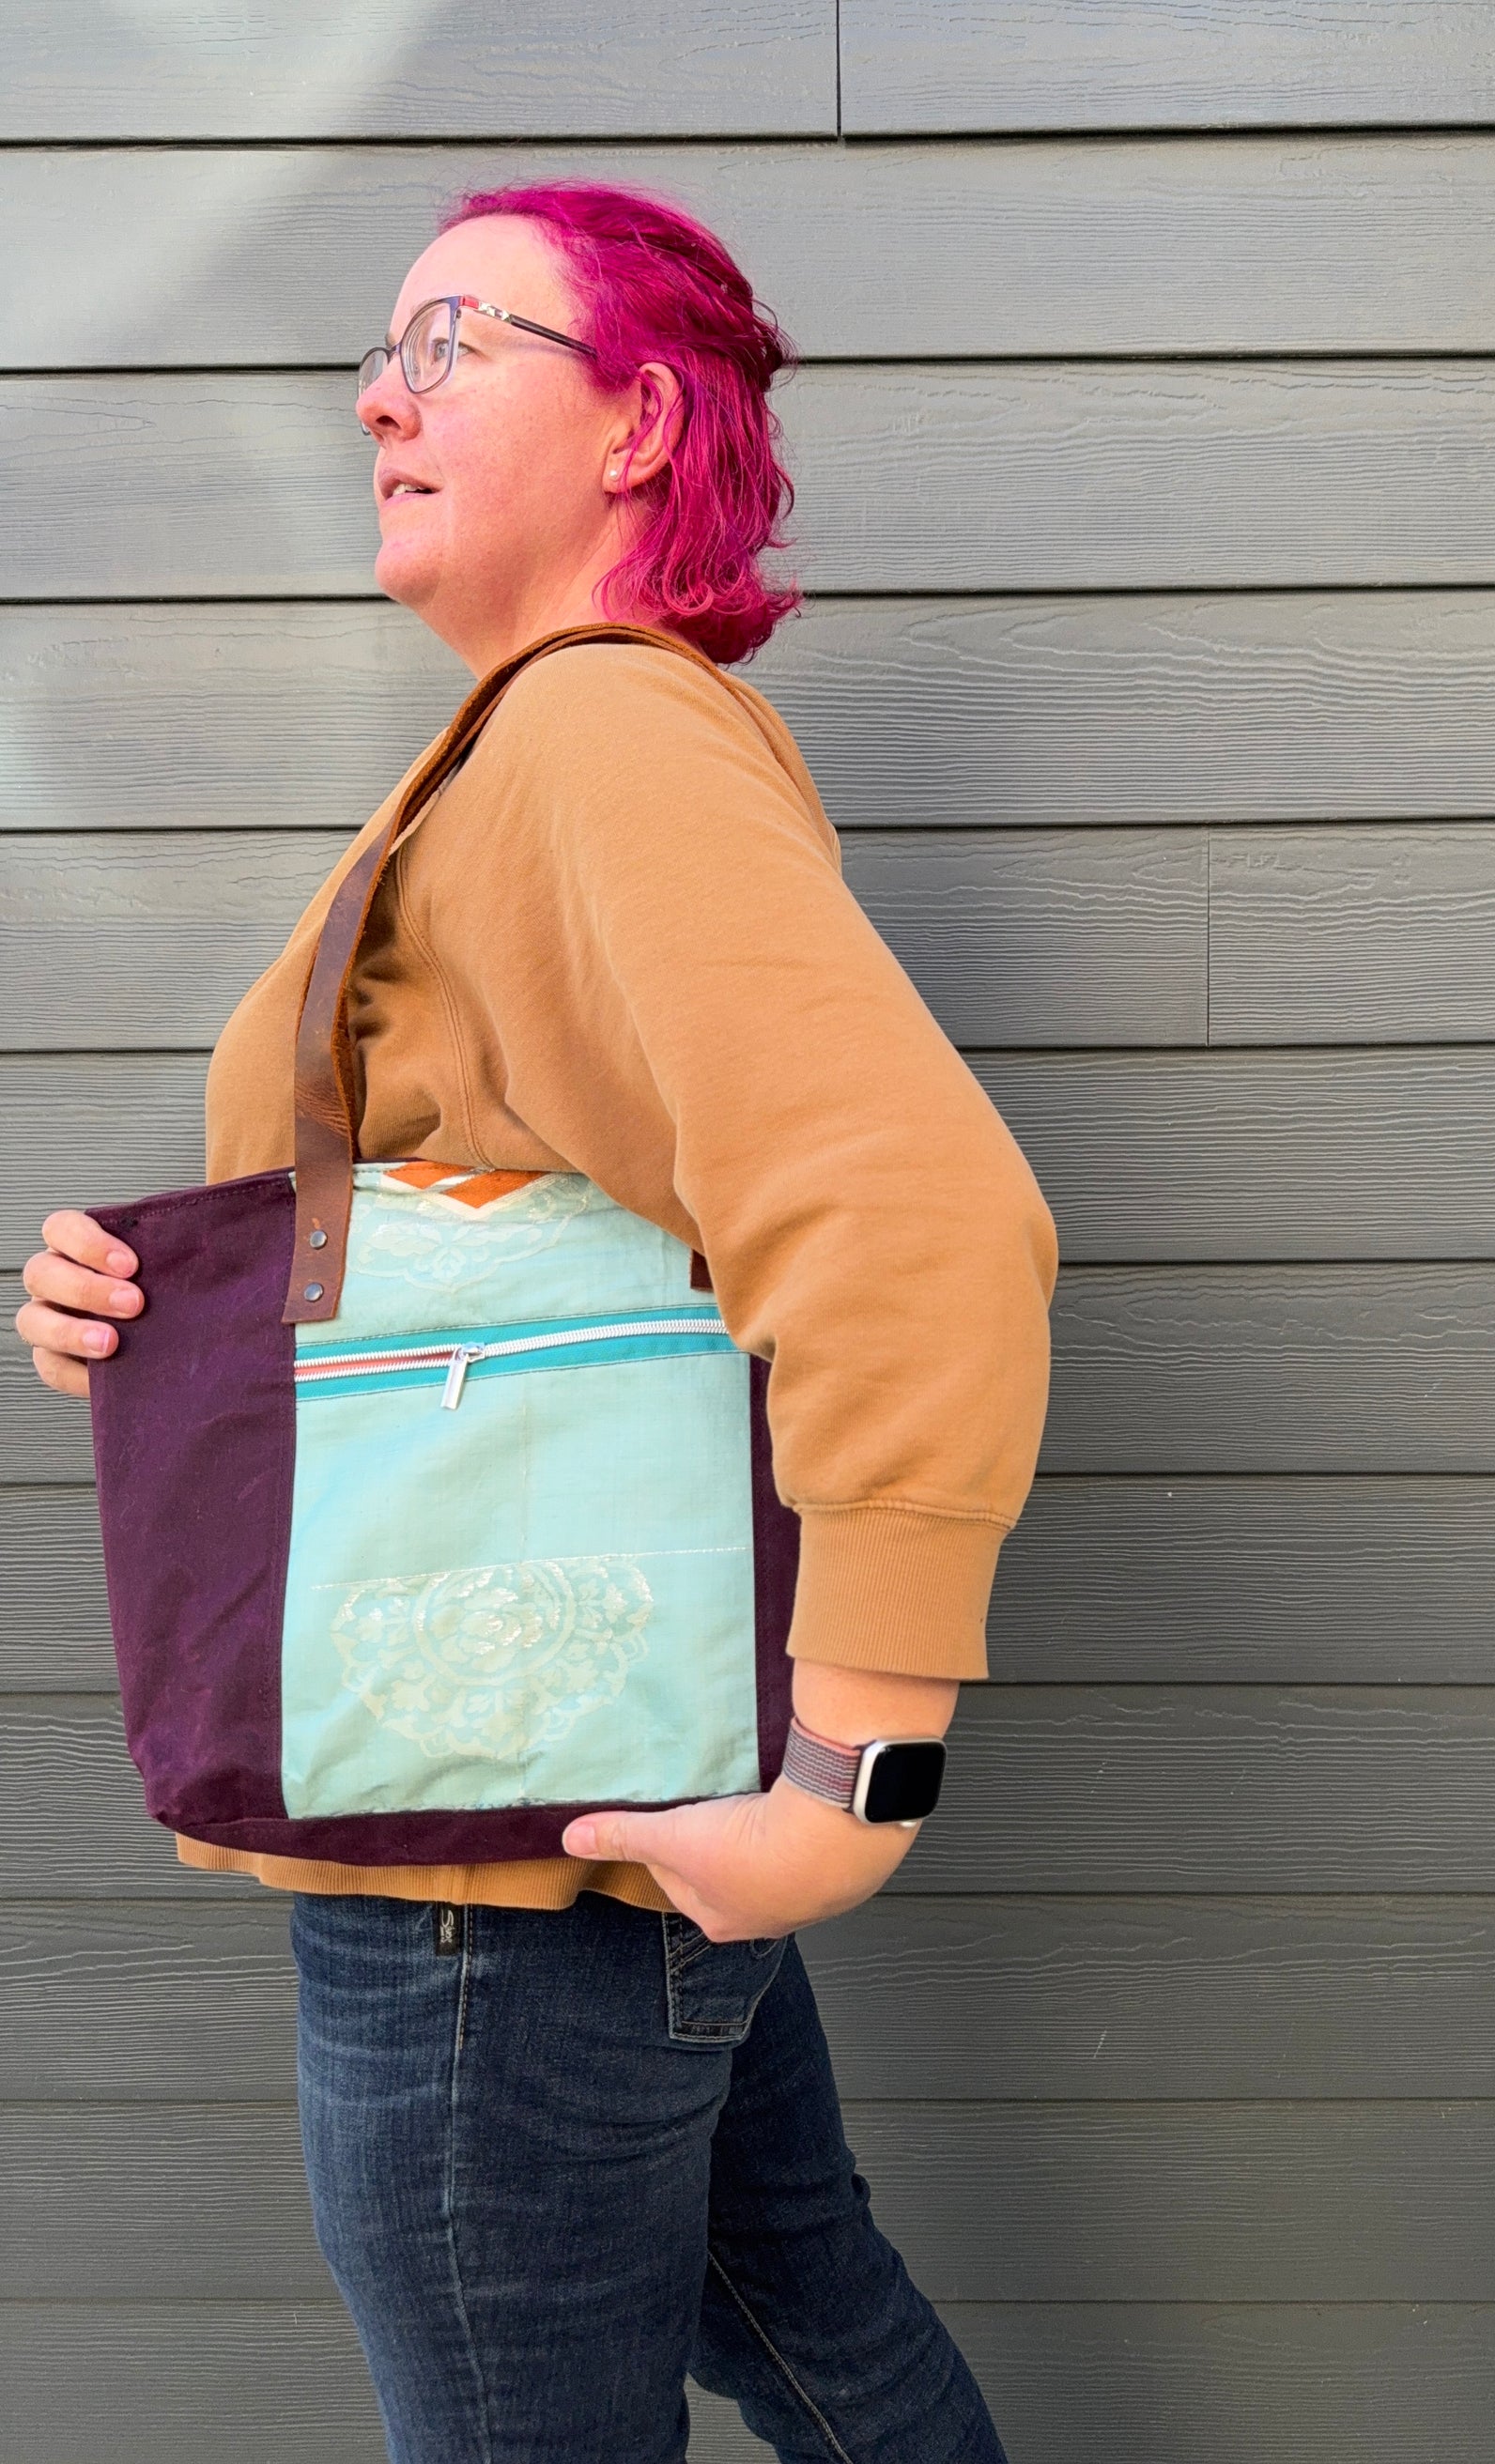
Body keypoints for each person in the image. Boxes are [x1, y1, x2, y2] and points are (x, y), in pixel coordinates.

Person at [14, 182, 1056, 2463]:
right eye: (375, 359)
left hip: (491, 1859)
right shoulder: (527, 756)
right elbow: (522, 1209)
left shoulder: (592, 740)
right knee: (825, 2342)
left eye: (454, 339)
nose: (382, 395)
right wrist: (149, 1315)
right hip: (576, 1776)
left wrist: (854, 1772)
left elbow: (918, 1213)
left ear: (635, 423)